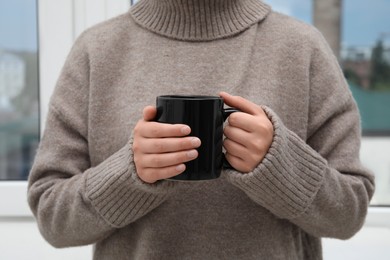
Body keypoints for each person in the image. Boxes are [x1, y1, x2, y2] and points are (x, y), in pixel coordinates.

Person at [27, 0, 375, 259]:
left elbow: (348, 214)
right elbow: (52, 217)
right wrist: (130, 173)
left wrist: (278, 163)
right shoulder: (97, 51)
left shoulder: (302, 48)